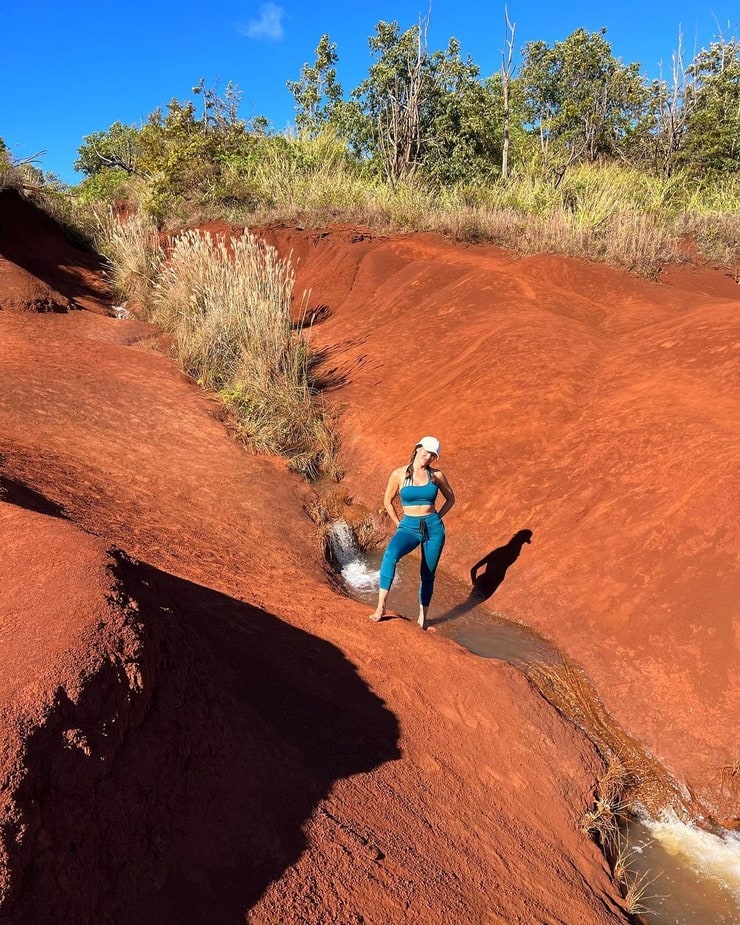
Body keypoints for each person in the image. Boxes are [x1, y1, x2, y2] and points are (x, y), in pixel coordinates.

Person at [369, 436, 455, 629]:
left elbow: (451, 499)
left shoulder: (437, 475)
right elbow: (387, 501)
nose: (428, 457)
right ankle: (381, 606)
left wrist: (438, 517)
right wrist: (399, 523)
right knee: (390, 555)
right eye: (426, 451)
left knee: (428, 573)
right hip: (408, 527)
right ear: (417, 448)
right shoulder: (399, 474)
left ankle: (422, 619)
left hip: (433, 528)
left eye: (432, 455)